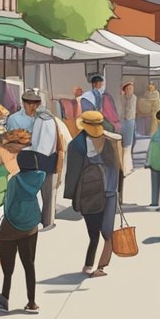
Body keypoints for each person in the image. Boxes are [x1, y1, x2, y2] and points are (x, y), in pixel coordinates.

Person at [65, 111, 124, 277]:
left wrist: (72, 197)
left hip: (89, 194)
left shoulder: (76, 145)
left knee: (94, 233)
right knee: (107, 232)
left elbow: (72, 174)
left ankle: (91, 266)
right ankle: (99, 266)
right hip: (110, 191)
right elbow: (118, 167)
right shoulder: (111, 141)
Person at [0, 150, 44, 313]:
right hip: (31, 225)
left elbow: (8, 204)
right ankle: (32, 302)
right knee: (29, 264)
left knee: (8, 269)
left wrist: (8, 217)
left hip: (12, 226)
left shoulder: (15, 181)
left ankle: (5, 297)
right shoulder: (39, 178)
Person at [20, 90, 66, 231]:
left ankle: (47, 223)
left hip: (45, 162)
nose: (31, 107)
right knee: (47, 195)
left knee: (47, 195)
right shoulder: (45, 118)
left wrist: (26, 151)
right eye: (29, 104)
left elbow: (43, 148)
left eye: (33, 104)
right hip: (47, 160)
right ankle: (46, 221)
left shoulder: (43, 120)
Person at [119, 82, 138, 153]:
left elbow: (129, 110)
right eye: (129, 88)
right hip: (125, 120)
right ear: (125, 90)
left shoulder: (133, 97)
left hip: (130, 120)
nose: (131, 90)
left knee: (131, 139)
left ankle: (129, 152)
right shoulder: (123, 97)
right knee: (127, 139)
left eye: (131, 88)